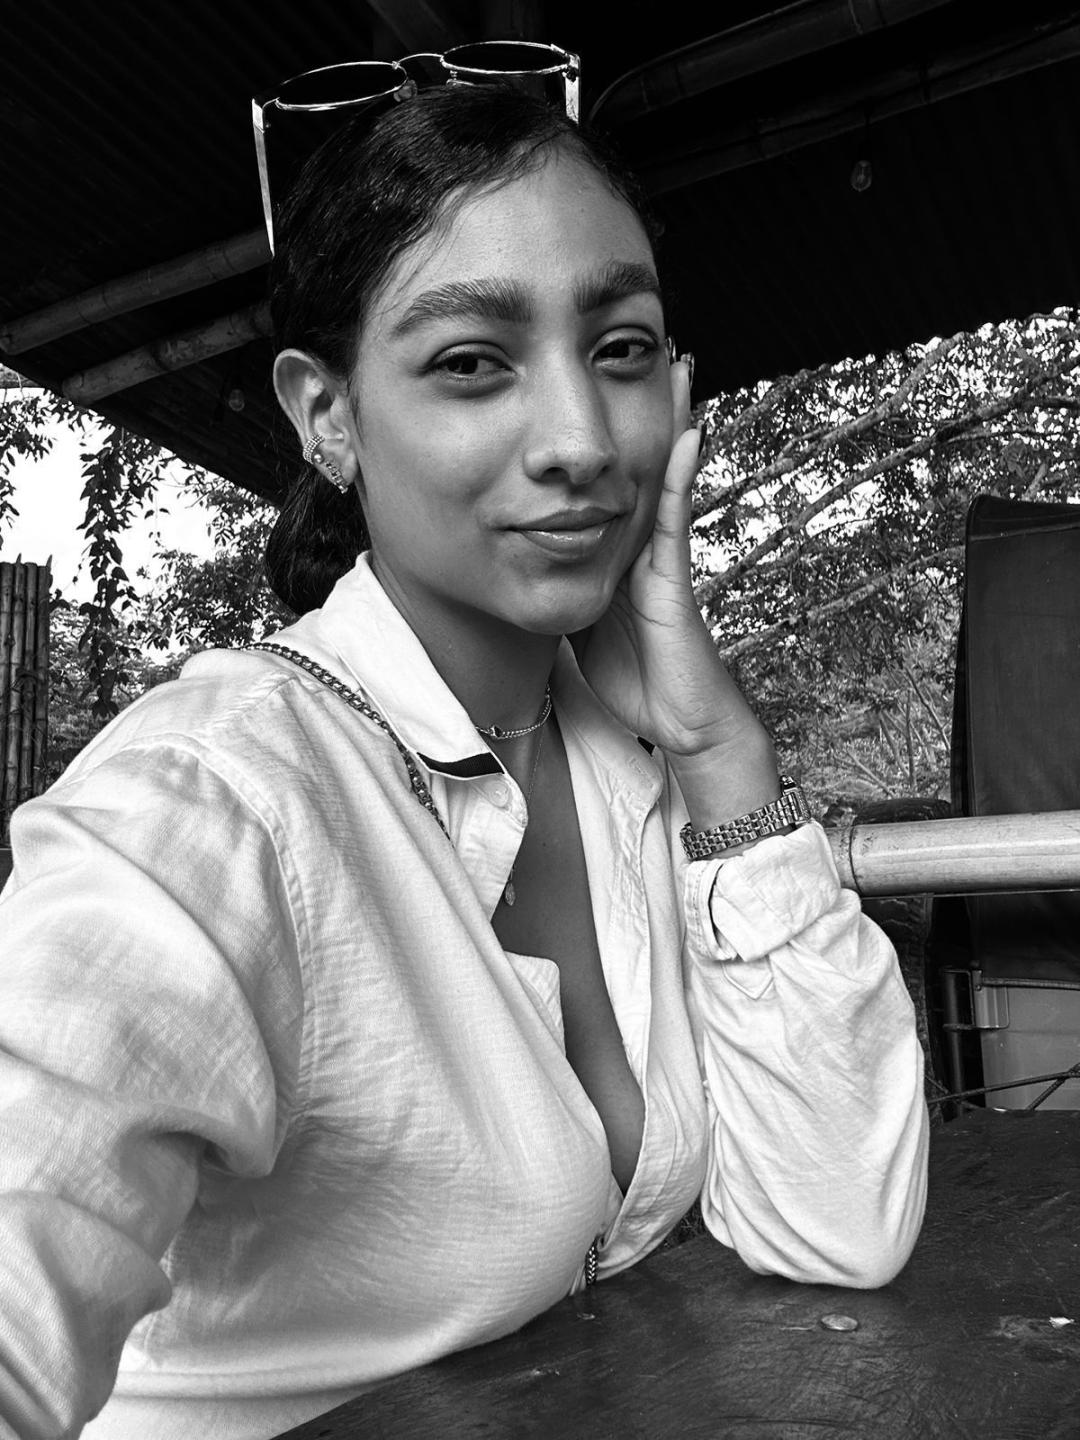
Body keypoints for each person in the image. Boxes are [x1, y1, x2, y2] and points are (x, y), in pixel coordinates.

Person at [0, 65, 929, 1440]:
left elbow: (837, 1227)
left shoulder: (632, 765)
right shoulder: (214, 800)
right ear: (327, 417)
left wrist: (718, 746)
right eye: (471, 363)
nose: (581, 442)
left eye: (622, 349)